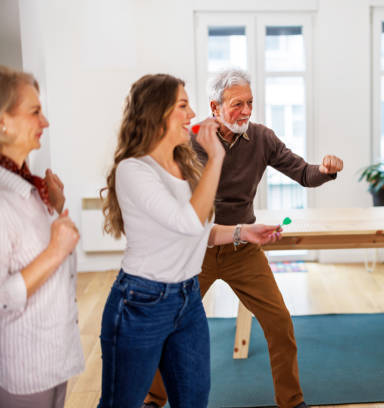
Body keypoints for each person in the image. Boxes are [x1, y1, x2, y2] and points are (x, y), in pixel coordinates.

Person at [143, 68, 343, 408]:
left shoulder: (262, 138)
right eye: (238, 104)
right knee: (169, 325)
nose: (247, 112)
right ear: (214, 106)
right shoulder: (188, 140)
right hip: (195, 250)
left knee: (279, 324)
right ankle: (152, 399)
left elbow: (303, 173)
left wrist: (325, 170)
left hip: (242, 249)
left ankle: (292, 402)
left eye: (250, 103)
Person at [98, 73, 281, 408]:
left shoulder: (183, 164)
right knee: (120, 403)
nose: (192, 113)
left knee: (194, 400)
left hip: (187, 299)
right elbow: (187, 222)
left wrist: (241, 232)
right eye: (183, 105)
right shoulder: (134, 170)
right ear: (157, 113)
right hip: (141, 301)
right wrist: (217, 157)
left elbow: (199, 232)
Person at [0, 65, 84, 407]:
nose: (45, 122)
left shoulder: (29, 187)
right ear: (2, 121)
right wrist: (54, 250)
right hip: (25, 372)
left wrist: (54, 206)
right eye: (35, 112)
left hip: (50, 360)